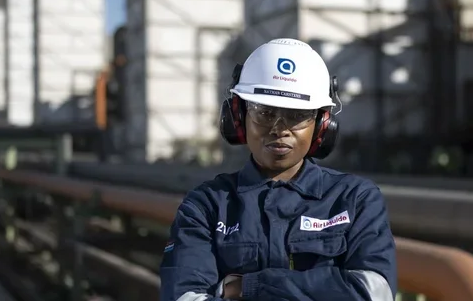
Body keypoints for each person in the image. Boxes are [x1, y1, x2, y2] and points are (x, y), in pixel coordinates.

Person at [160, 38, 397, 301]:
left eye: (297, 115)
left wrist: (250, 286)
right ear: (239, 116)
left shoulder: (355, 199)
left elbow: (375, 292)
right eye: (265, 112)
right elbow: (183, 296)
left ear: (321, 124)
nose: (279, 129)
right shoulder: (206, 206)